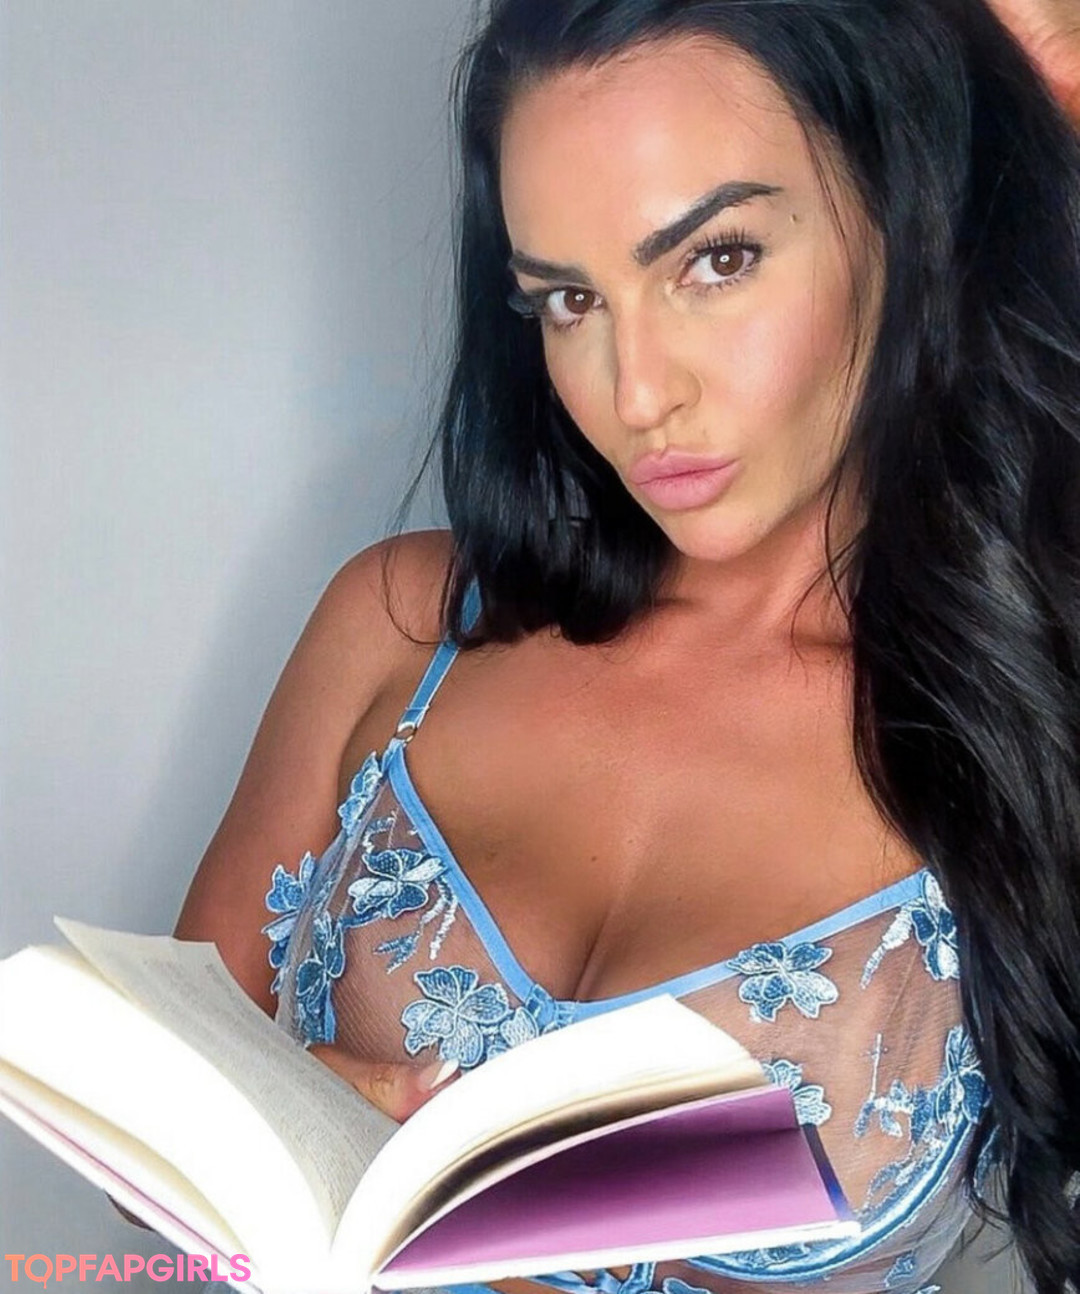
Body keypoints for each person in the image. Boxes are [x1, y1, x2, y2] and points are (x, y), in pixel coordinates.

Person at [170, 0, 1080, 1291]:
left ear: (907, 214)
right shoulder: (399, 630)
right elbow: (143, 1152)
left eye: (717, 260)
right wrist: (283, 1152)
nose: (636, 391)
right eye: (567, 299)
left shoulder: (1037, 722)